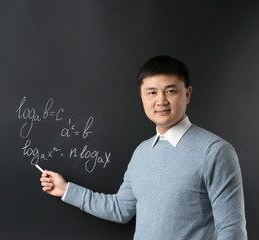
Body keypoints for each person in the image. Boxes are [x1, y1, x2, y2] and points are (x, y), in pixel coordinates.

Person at [40, 55, 247, 240]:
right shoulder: (141, 152)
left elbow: (232, 231)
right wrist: (66, 189)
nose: (161, 101)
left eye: (171, 91)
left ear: (187, 94)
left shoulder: (215, 151)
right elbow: (120, 209)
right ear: (142, 97)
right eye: (152, 92)